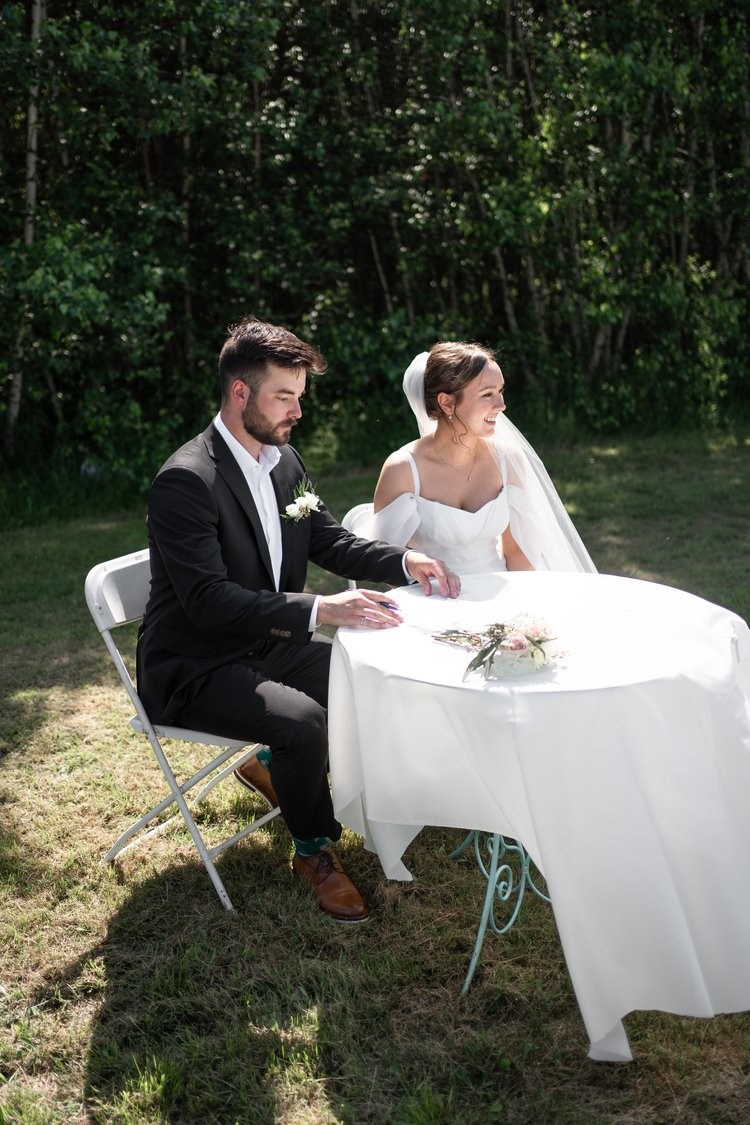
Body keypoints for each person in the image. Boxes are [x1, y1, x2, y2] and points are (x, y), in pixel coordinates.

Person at [136, 317, 460, 924]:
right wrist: (320, 609)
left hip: (261, 642)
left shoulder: (284, 460)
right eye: (284, 396)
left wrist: (404, 561)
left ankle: (281, 773)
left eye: (300, 397)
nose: (297, 412)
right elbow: (207, 600)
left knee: (365, 675)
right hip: (194, 663)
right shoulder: (186, 480)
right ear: (240, 393)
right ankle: (313, 852)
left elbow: (329, 541)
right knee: (306, 721)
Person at [371, 342, 596, 575]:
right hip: (431, 597)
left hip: (499, 592)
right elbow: (388, 565)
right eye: (487, 394)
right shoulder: (403, 470)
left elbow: (519, 553)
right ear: (446, 402)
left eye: (500, 391)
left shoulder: (508, 460)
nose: (501, 405)